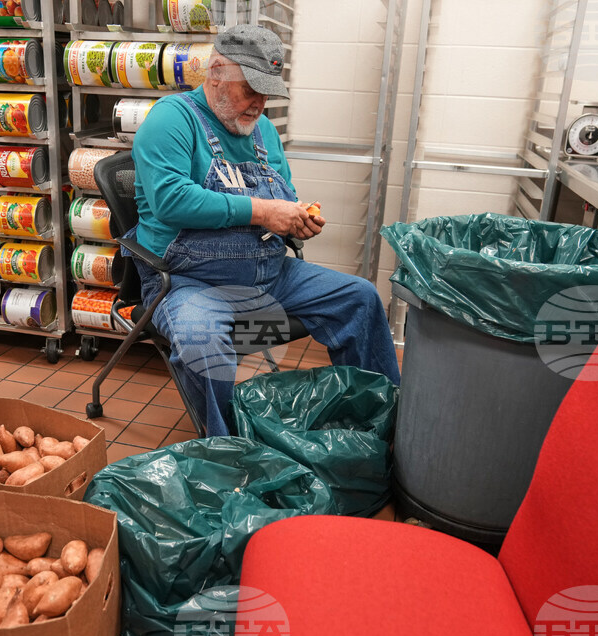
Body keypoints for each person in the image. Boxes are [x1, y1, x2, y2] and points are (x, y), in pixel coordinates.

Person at [128, 24, 401, 436]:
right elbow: (172, 200)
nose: (259, 103)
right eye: (250, 89)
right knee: (202, 339)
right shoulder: (172, 119)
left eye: (267, 92)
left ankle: (377, 425)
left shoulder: (264, 132)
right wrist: (262, 211)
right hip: (188, 281)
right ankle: (229, 448)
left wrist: (296, 222)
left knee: (360, 298)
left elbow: (283, 197)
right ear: (215, 73)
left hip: (271, 275)